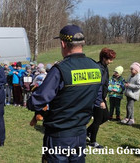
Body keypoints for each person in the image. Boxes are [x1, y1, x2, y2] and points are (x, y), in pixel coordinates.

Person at [27, 25, 102, 162]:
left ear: (63, 44)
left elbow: (37, 101)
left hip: (59, 135)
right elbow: (98, 99)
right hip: (80, 133)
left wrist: (32, 98)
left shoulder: (60, 69)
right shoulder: (96, 68)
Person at [87, 47, 116, 148]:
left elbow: (105, 84)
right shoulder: (98, 68)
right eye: (110, 59)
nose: (111, 61)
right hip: (97, 99)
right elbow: (98, 86)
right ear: (104, 58)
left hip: (102, 98)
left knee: (106, 116)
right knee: (98, 120)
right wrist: (100, 101)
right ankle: (92, 142)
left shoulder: (105, 67)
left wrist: (105, 95)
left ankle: (87, 132)